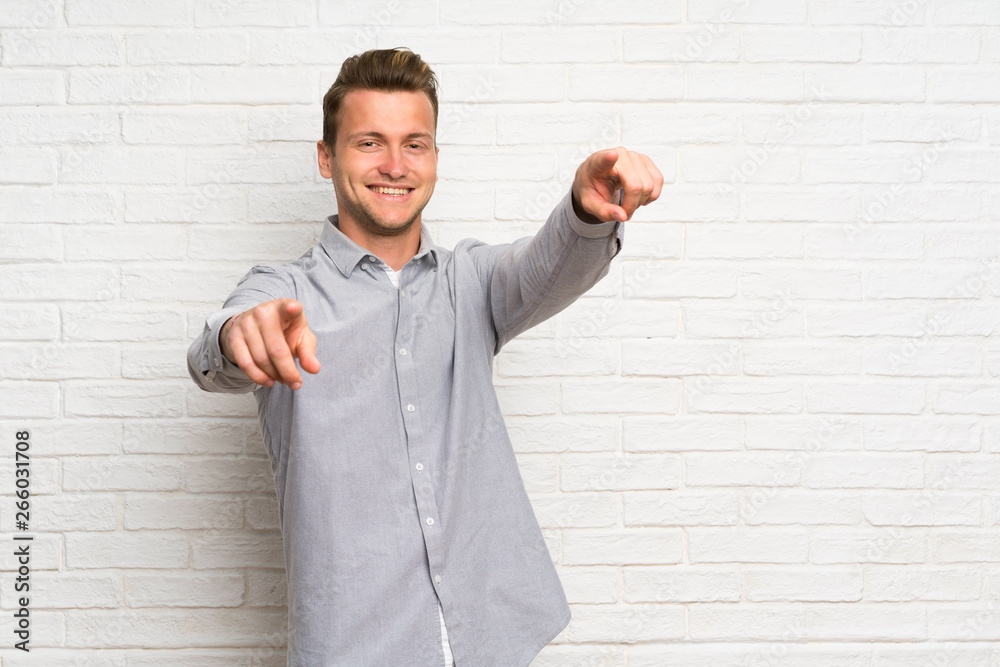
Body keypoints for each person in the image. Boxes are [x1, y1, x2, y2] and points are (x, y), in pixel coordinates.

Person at [187, 47, 662, 667]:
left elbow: (549, 263)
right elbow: (216, 348)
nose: (394, 165)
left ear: (434, 157)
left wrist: (585, 210)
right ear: (326, 157)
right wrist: (239, 335)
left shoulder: (471, 280)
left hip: (490, 638)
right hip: (354, 647)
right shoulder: (283, 291)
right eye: (369, 143)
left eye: (414, 144)